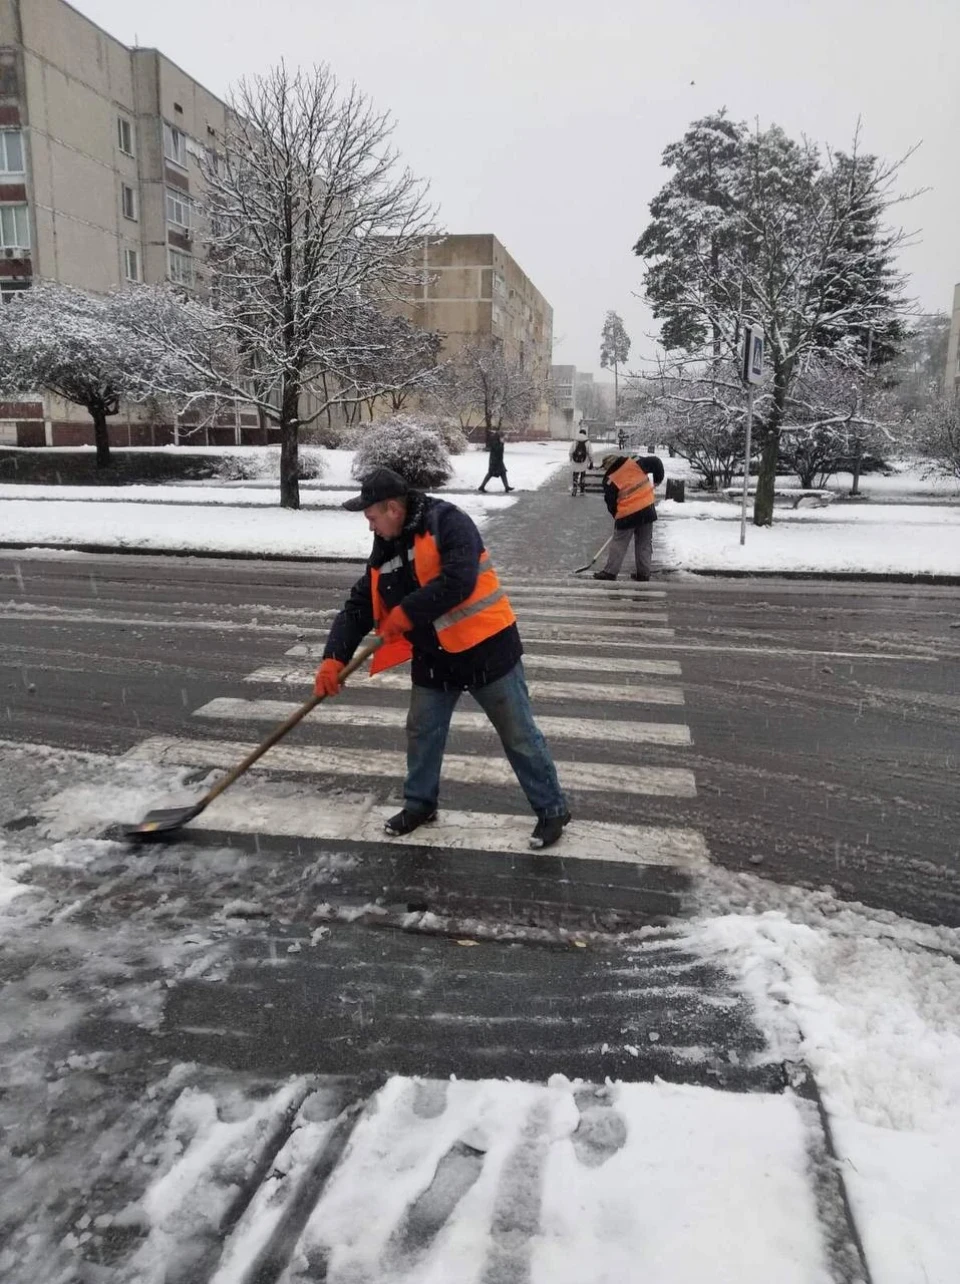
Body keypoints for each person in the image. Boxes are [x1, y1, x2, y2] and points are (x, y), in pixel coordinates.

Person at [315, 467, 571, 849]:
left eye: (371, 518)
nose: (370, 527)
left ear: (392, 508)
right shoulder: (387, 548)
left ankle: (552, 809)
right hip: (436, 657)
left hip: (488, 650)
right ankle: (420, 804)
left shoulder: (448, 521)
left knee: (518, 735)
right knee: (422, 732)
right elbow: (358, 607)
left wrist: (407, 612)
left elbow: (459, 580)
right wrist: (333, 658)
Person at [593, 450, 665, 581]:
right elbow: (656, 462)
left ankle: (610, 572)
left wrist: (617, 516)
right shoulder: (635, 462)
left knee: (619, 544)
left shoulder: (609, 479)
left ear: (607, 466)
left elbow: (610, 502)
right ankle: (643, 574)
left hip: (627, 514)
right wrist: (658, 479)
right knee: (644, 544)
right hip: (647, 509)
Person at [478, 427, 513, 492]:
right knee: (490, 473)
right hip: (494, 461)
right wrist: (501, 443)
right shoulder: (495, 442)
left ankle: (506, 487)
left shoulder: (498, 442)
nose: (503, 438)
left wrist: (502, 443)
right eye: (502, 437)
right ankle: (482, 486)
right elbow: (497, 450)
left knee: (503, 473)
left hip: (499, 461)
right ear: (499, 437)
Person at [568, 426, 594, 496]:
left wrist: (571, 459)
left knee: (575, 475)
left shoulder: (575, 441)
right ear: (585, 434)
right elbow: (590, 453)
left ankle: (574, 489)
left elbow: (571, 451)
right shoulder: (587, 441)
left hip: (575, 461)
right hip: (584, 461)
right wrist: (591, 461)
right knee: (583, 475)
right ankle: (582, 490)